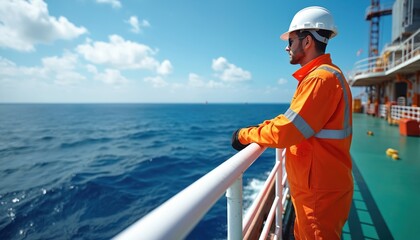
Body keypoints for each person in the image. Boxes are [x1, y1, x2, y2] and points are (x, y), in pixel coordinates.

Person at [231, 6, 353, 240]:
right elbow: (292, 120)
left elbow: (287, 131)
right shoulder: (325, 75)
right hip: (320, 187)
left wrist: (245, 135)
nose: (287, 47)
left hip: (318, 194)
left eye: (291, 40)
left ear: (307, 42)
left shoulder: (320, 79)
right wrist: (261, 128)